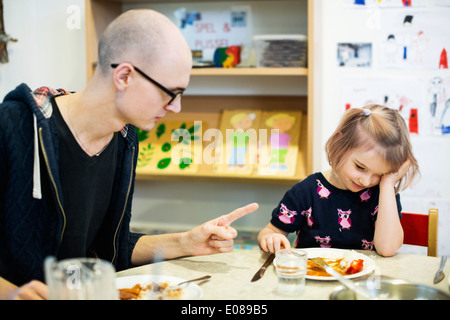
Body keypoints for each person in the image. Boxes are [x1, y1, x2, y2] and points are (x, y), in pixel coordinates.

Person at [0, 9, 258, 300]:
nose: (176, 108)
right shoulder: (15, 126)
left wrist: (187, 242)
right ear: (124, 76)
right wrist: (11, 293)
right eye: (170, 93)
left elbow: (110, 246)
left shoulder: (125, 138)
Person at [258, 104, 419, 257]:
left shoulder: (383, 193)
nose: (366, 180)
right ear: (339, 144)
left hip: (363, 283)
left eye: (379, 174)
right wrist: (271, 238)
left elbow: (388, 248)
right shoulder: (305, 191)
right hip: (312, 280)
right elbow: (270, 231)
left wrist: (388, 183)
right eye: (360, 167)